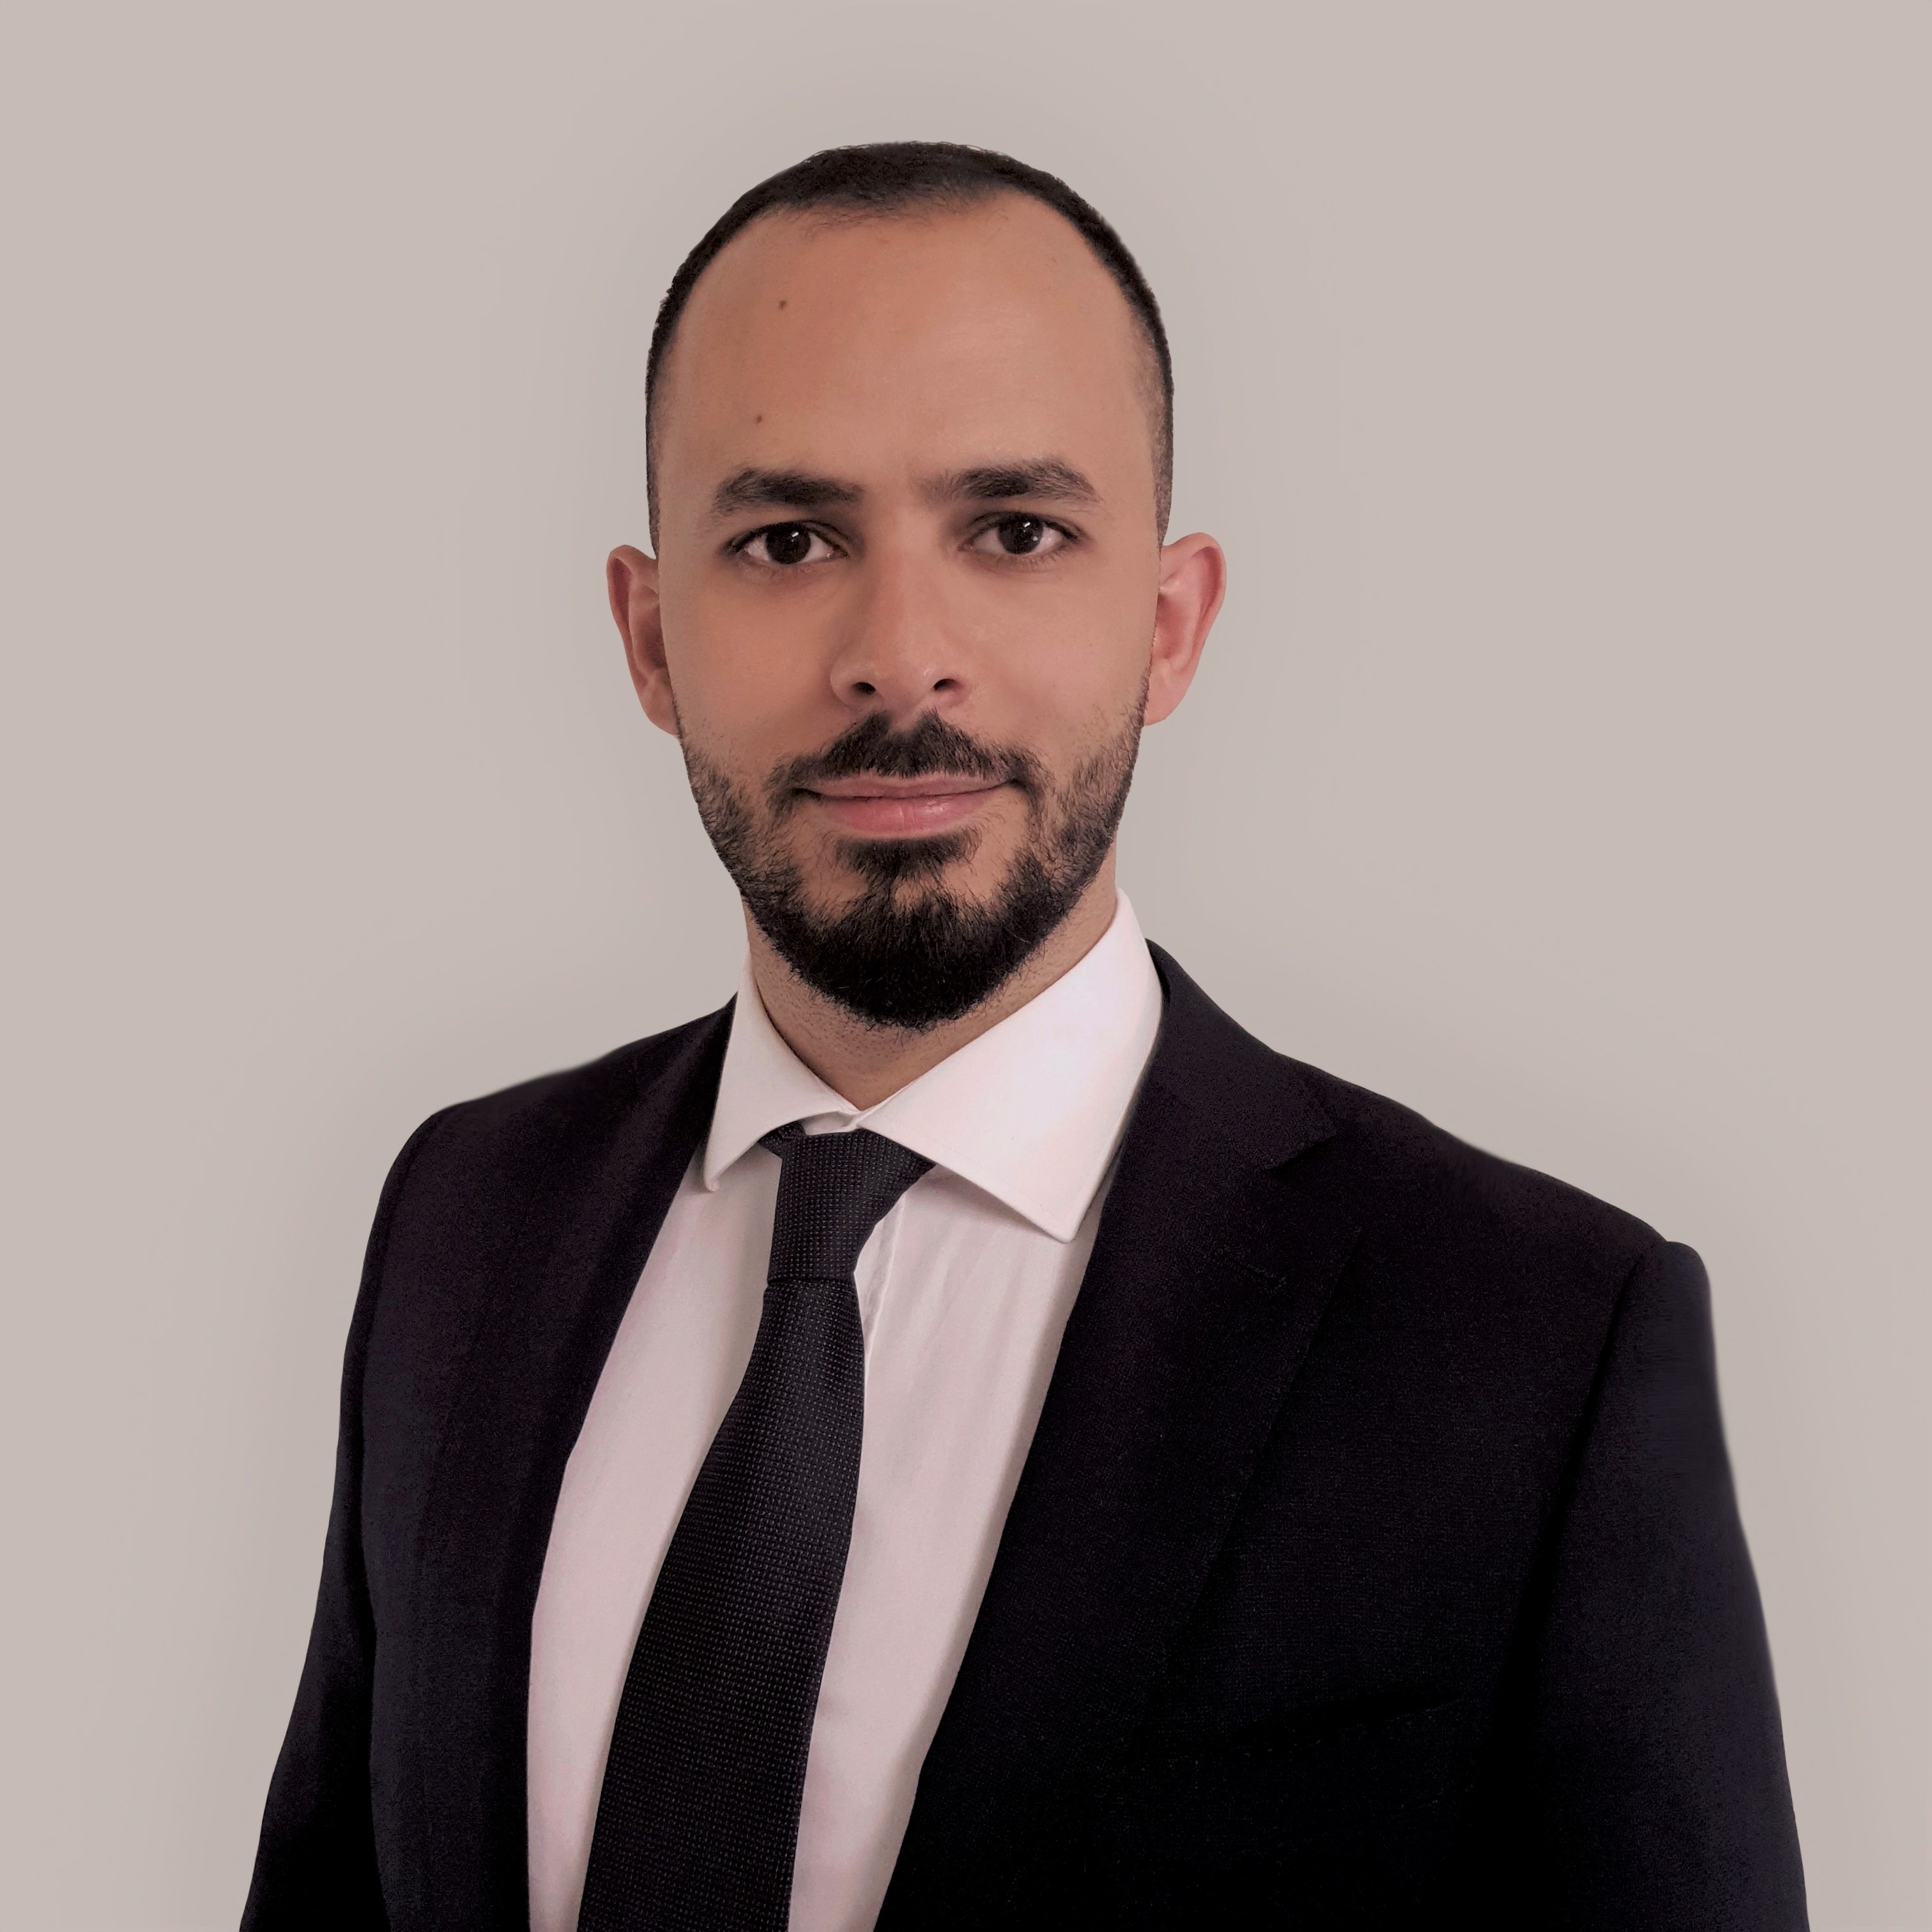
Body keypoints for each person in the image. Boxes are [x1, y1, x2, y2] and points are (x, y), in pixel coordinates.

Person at [242, 142, 1805, 1931]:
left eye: (1015, 533)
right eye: (786, 540)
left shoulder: (1535, 1341)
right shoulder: (464, 1212)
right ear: (651, 633)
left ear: (1169, 625)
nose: (902, 659)